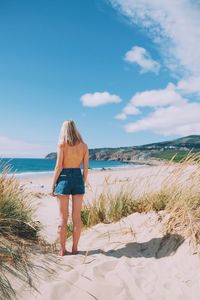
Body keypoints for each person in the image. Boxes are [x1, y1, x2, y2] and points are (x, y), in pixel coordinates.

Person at [50, 120, 89, 256]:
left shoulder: (62, 144)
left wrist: (53, 184)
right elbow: (85, 168)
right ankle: (75, 248)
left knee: (63, 218)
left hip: (64, 178)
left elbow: (58, 166)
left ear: (64, 130)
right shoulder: (84, 146)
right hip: (78, 178)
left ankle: (62, 250)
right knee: (76, 217)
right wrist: (81, 181)